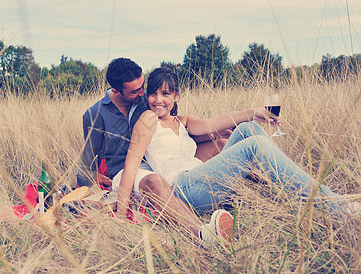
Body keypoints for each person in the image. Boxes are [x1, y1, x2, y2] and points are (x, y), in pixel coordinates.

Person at [116, 67, 351, 238]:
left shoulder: (182, 120)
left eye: (165, 94)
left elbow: (212, 124)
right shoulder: (147, 120)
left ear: (176, 96)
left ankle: (291, 188)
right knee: (254, 146)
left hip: (203, 179)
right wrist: (121, 211)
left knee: (248, 128)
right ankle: (336, 206)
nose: (158, 100)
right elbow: (132, 164)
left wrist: (252, 112)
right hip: (184, 188)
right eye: (153, 94)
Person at [78, 58, 233, 245]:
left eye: (143, 86)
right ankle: (203, 235)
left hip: (161, 161)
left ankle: (252, 195)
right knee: (154, 180)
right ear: (117, 91)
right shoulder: (95, 114)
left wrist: (212, 134)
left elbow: (172, 131)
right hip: (128, 170)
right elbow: (88, 158)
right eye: (135, 91)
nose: (143, 93)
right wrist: (92, 179)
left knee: (222, 143)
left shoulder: (149, 99)